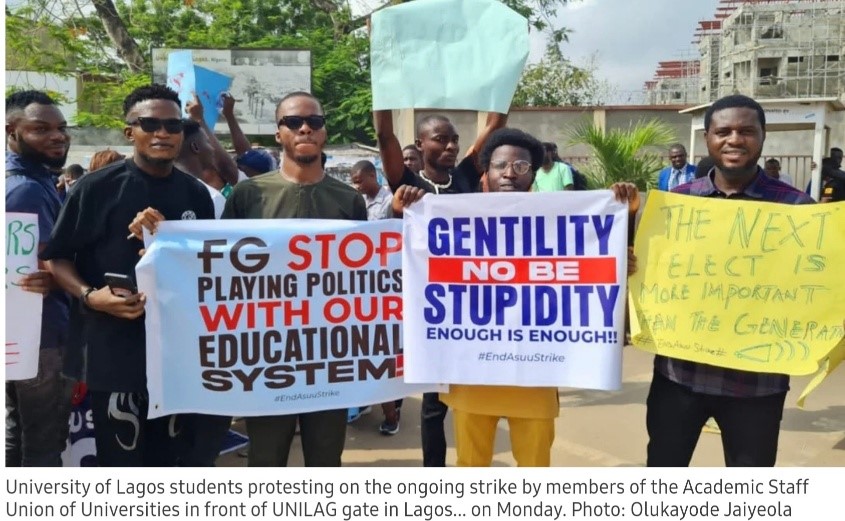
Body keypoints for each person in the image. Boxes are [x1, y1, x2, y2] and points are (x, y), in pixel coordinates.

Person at [393, 128, 640, 466]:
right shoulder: (455, 218)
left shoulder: (560, 222)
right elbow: (411, 262)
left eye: (521, 166)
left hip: (535, 382)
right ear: (486, 172)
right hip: (473, 378)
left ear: (533, 174)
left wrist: (625, 218)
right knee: (471, 468)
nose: (510, 173)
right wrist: (400, 212)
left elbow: (593, 264)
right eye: (500, 165)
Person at [40, 84, 216, 467]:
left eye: (173, 125)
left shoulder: (196, 195)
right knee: (122, 463)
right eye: (150, 124)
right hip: (114, 353)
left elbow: (206, 266)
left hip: (175, 356)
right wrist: (91, 296)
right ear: (129, 131)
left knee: (170, 463)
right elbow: (56, 259)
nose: (163, 133)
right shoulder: (95, 189)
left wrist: (167, 242)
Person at [647, 94, 814, 467]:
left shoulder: (798, 210)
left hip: (757, 384)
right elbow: (652, 273)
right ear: (708, 138)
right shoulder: (675, 204)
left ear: (763, 136)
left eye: (746, 131)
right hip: (679, 377)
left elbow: (815, 288)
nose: (734, 139)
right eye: (723, 131)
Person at [223, 91, 367, 467]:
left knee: (325, 460)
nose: (305, 128)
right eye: (293, 122)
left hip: (329, 356)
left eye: (314, 122)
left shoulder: (349, 200)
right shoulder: (248, 195)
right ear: (278, 133)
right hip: (267, 356)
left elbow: (366, 278)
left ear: (324, 132)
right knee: (266, 460)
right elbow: (217, 269)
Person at [375, 106, 507, 466]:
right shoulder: (407, 183)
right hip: (431, 309)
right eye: (440, 139)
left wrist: (502, 85)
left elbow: (495, 125)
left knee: (473, 395)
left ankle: (472, 463)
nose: (450, 146)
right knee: (434, 405)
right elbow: (384, 136)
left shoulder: (464, 177)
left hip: (471, 304)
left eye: (454, 140)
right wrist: (383, 93)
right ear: (420, 144)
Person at [5, 90, 74, 466]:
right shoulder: (27, 189)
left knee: (20, 433)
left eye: (61, 128)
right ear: (11, 131)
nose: (57, 136)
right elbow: (48, 264)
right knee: (44, 445)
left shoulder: (32, 180)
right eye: (40, 129)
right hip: (41, 337)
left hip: (24, 336)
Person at [175, 119, 227, 218]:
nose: (212, 149)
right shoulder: (212, 197)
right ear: (195, 147)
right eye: (207, 142)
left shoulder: (159, 189)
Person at [221, 93, 275, 179]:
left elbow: (243, 153)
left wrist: (229, 115)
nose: (238, 167)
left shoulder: (246, 184)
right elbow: (244, 152)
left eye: (240, 166)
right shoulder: (264, 180)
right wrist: (229, 115)